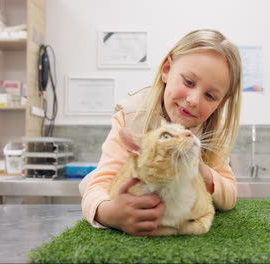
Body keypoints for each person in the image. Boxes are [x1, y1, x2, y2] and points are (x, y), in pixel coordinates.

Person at [79, 29, 242, 236]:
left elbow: (230, 195)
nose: (193, 100)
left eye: (210, 96)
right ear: (166, 69)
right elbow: (99, 184)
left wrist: (200, 169)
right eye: (189, 82)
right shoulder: (131, 116)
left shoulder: (213, 130)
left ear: (221, 103)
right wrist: (110, 214)